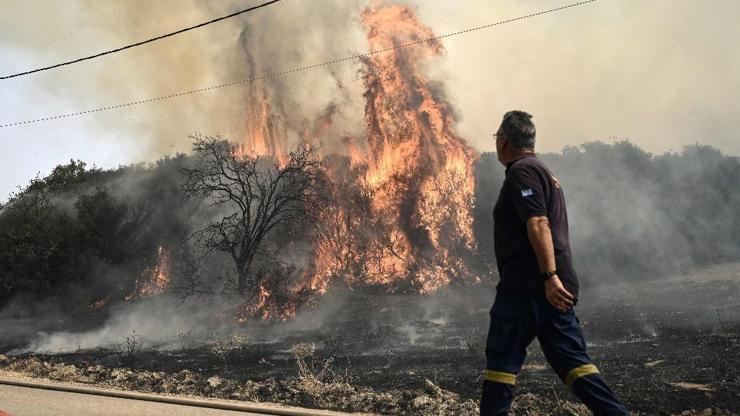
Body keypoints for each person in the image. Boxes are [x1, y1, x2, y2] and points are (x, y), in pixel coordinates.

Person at [480, 111, 628, 415]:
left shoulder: (522, 171)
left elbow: (538, 223)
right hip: (551, 289)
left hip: (528, 286)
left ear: (504, 140)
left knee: (501, 362)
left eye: (497, 137)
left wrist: (549, 276)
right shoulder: (544, 171)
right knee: (575, 364)